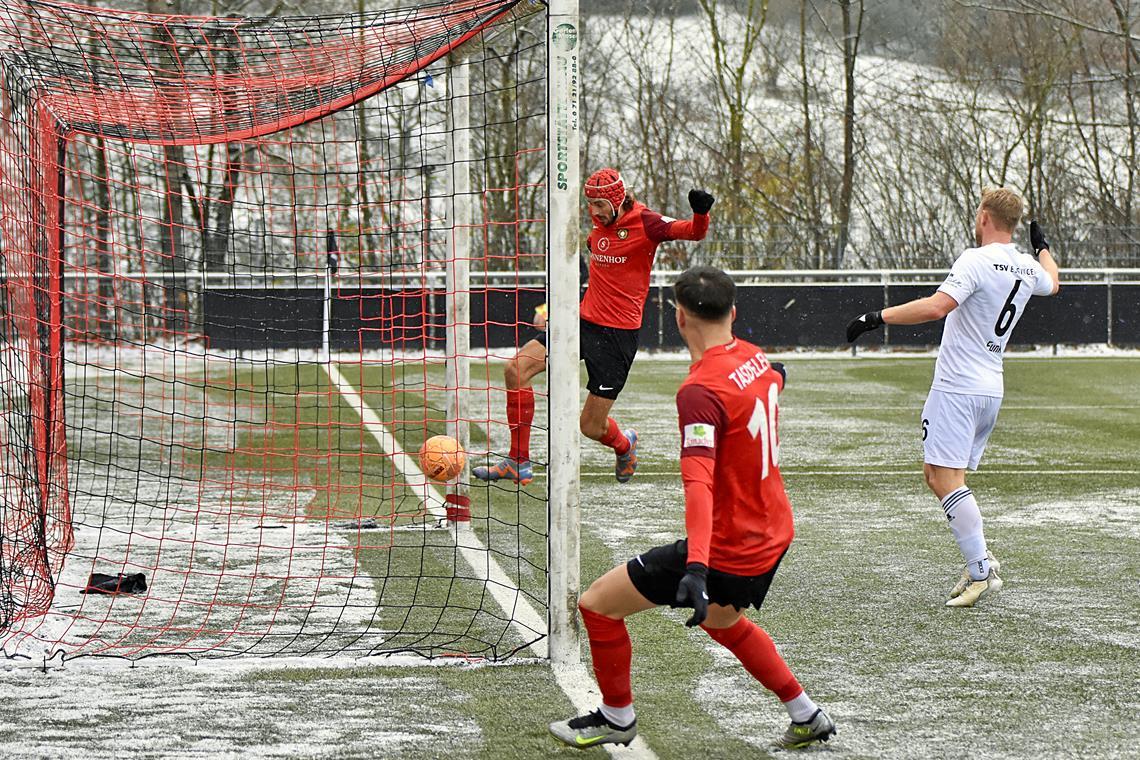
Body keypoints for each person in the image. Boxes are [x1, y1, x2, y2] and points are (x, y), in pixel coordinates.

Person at [549, 266, 836, 750]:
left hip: (730, 545)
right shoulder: (755, 357)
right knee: (723, 621)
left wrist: (698, 567)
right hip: (774, 532)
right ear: (733, 312)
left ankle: (617, 717)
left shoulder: (699, 390)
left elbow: (698, 484)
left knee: (597, 605)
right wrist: (774, 378)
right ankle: (806, 713)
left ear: (679, 318)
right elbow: (770, 379)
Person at [846, 186, 1060, 607]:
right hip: (989, 388)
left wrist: (876, 317)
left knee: (946, 480)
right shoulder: (1024, 266)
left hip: (958, 387)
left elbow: (936, 307)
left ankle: (981, 570)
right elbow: (1053, 282)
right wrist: (1043, 248)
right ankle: (979, 558)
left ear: (983, 217)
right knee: (937, 475)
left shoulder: (976, 259)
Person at [474, 168, 714, 486]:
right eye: (590, 204)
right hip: (581, 323)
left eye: (600, 204)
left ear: (617, 200)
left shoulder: (647, 222)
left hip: (617, 336)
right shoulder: (596, 225)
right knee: (515, 370)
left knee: (589, 426)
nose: (595, 212)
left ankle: (625, 445)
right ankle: (518, 461)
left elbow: (694, 232)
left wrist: (701, 213)